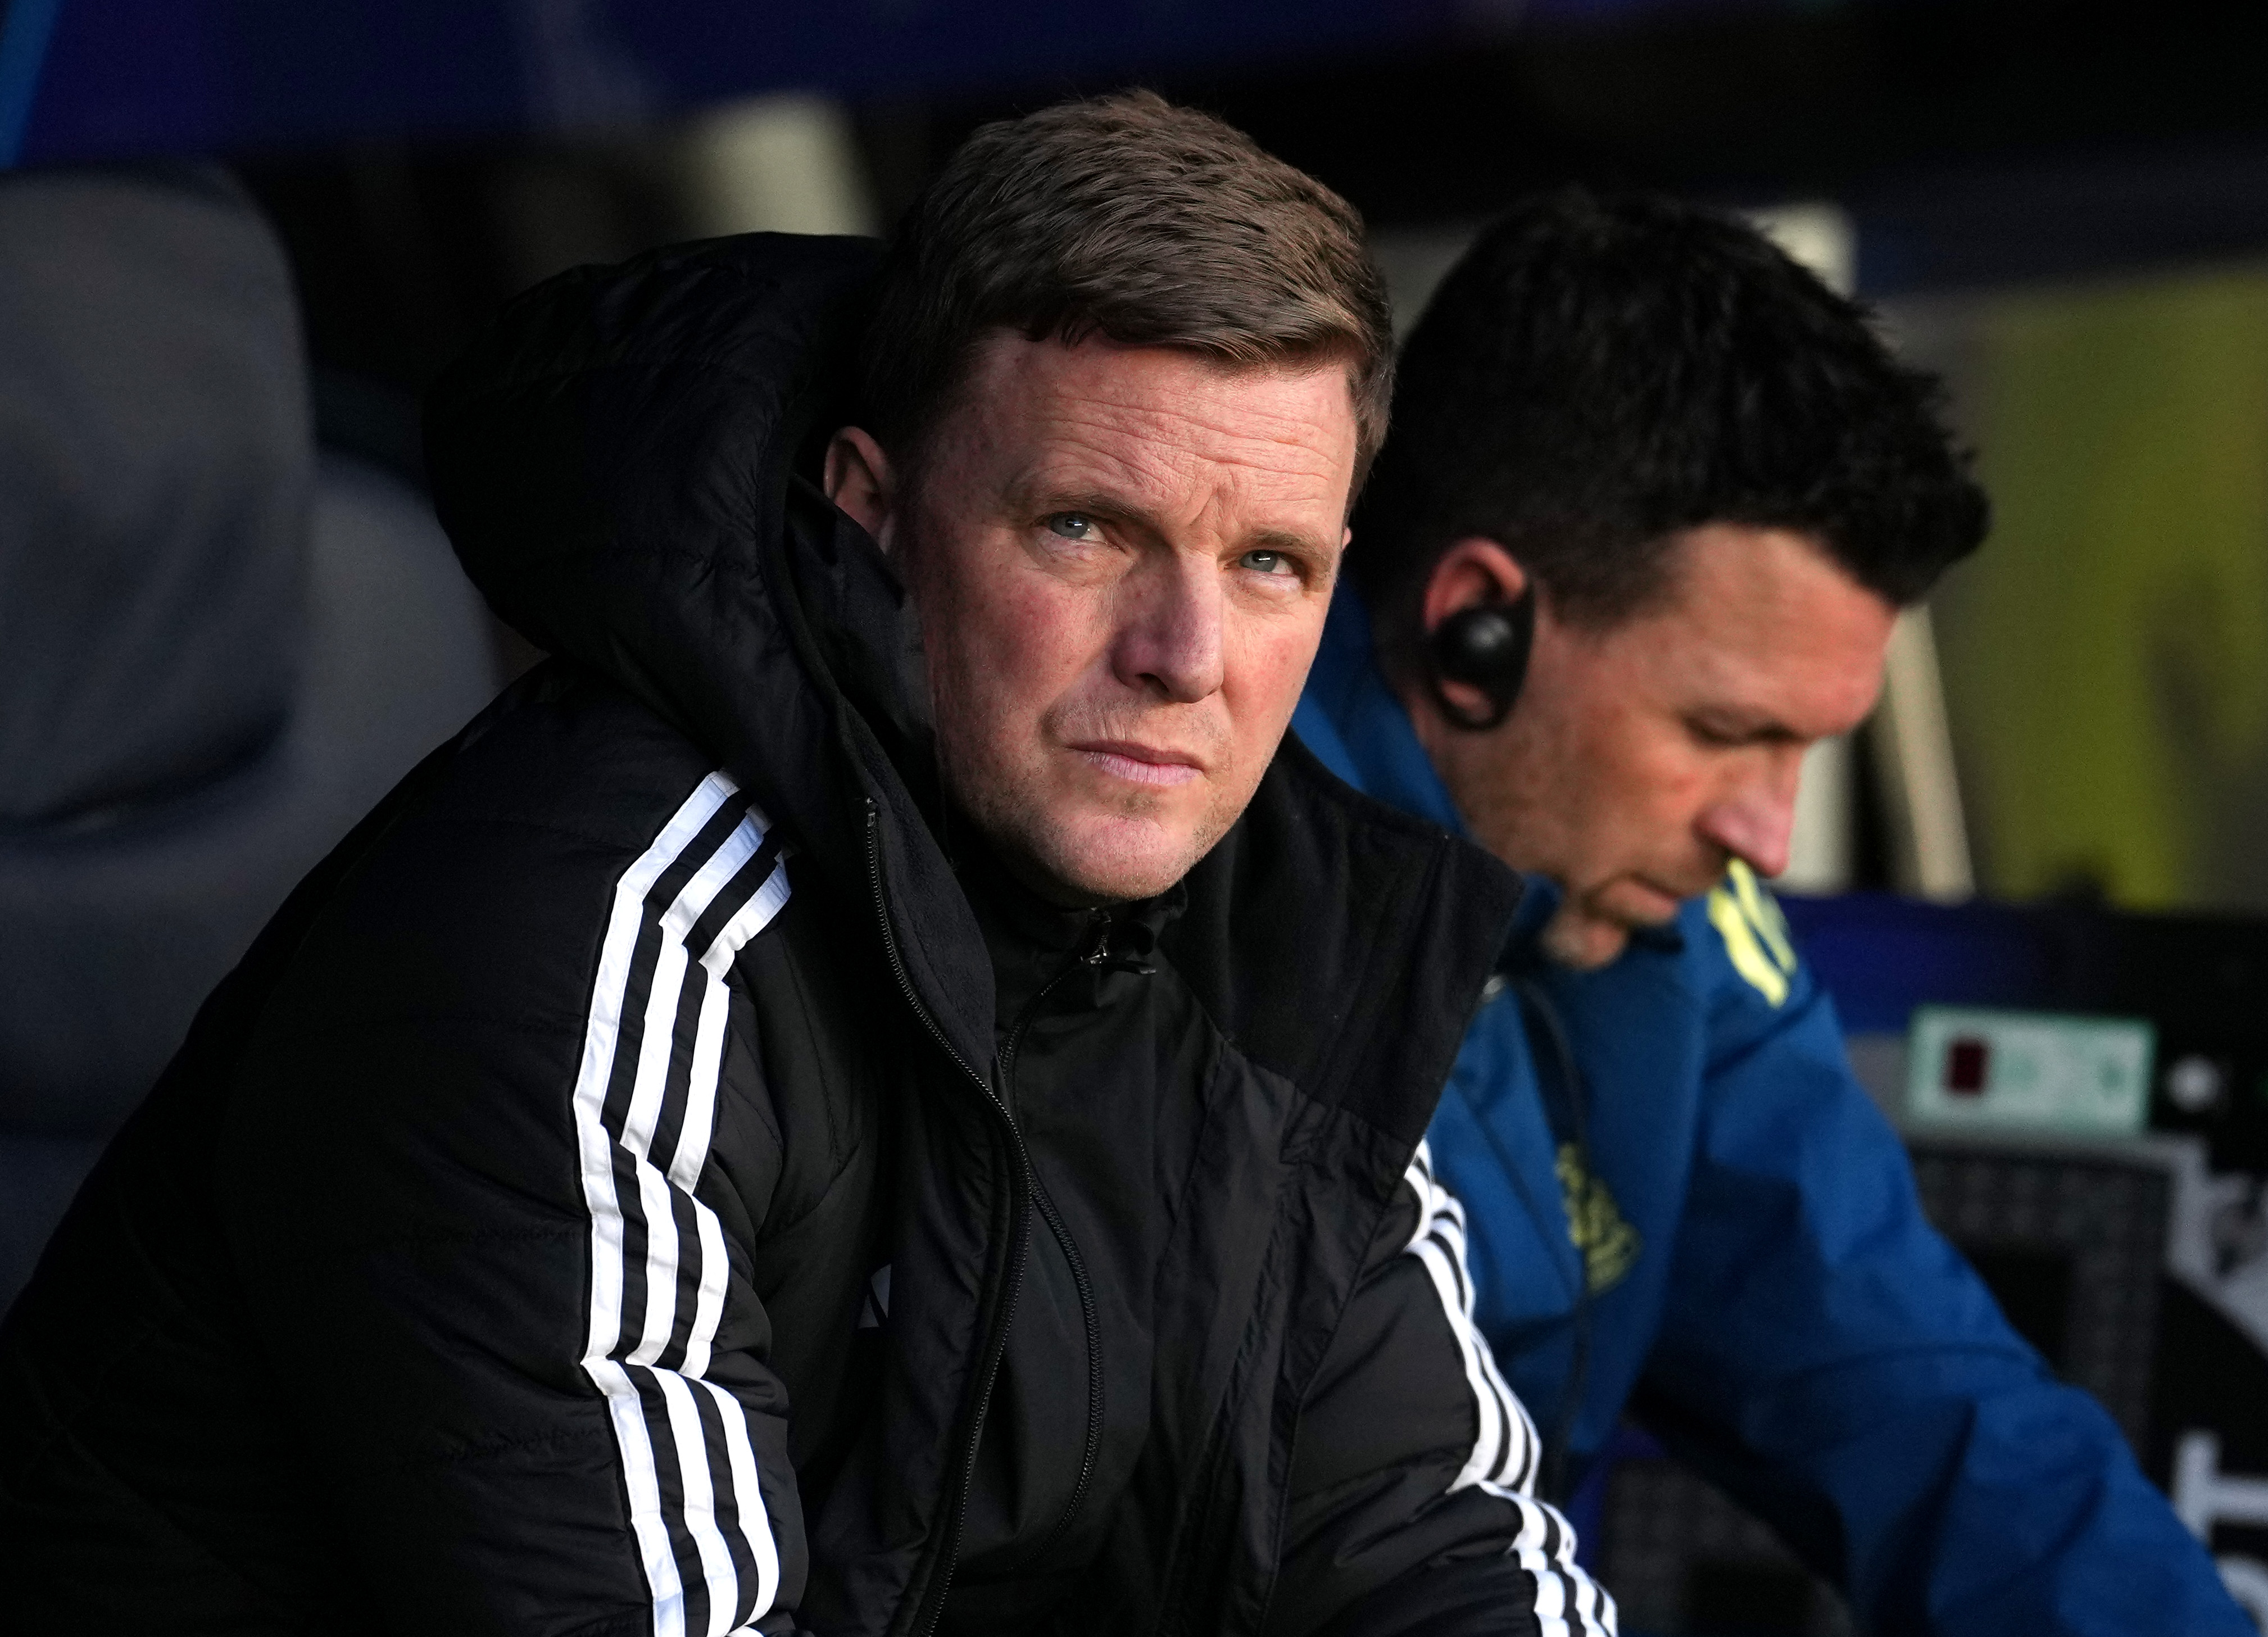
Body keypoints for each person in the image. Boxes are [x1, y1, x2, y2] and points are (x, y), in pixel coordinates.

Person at [0, 96, 1614, 1637]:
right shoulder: (587, 938)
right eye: (1083, 529)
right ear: (870, 517)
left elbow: (1427, 1530)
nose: (1186, 655)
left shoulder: (1262, 941)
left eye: (1269, 564)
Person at [1294, 188, 2252, 1635]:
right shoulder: (1171, 891)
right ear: (1471, 626)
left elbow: (1928, 1415)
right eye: (1724, 728)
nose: (1766, 830)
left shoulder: (1676, 935)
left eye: (1804, 745)